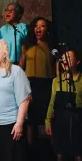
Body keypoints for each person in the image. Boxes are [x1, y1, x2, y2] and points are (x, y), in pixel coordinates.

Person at [45, 50, 82, 161]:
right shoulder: (56, 81)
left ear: (77, 61)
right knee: (60, 153)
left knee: (78, 154)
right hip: (60, 120)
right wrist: (48, 121)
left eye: (69, 57)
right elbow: (52, 102)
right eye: (63, 57)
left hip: (77, 121)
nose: (64, 59)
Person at [20, 17, 54, 145]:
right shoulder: (26, 46)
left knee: (48, 117)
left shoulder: (51, 47)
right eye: (36, 26)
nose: (38, 28)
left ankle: (53, 152)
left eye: (42, 26)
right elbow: (20, 66)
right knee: (31, 120)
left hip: (46, 84)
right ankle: (31, 149)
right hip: (29, 83)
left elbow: (56, 68)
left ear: (47, 30)